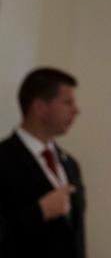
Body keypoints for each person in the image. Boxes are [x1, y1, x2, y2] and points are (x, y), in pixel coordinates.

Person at [0, 67, 85, 258]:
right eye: (67, 102)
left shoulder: (70, 164)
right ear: (40, 107)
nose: (76, 110)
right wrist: (39, 212)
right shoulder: (3, 159)